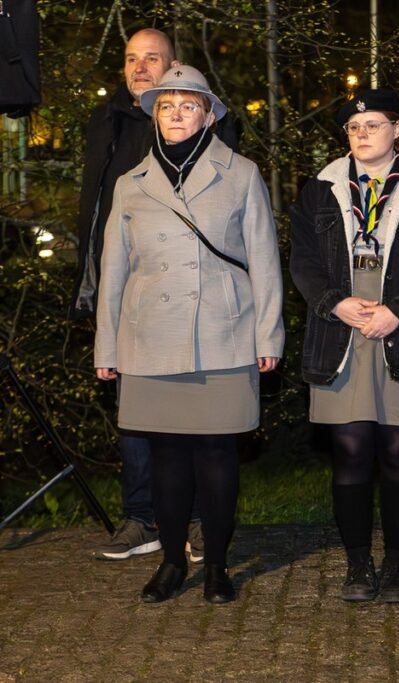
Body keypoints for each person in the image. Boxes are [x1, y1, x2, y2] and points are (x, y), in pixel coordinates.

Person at [94, 65, 284, 604]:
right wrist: (107, 345)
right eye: (166, 106)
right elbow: (113, 270)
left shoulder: (241, 174)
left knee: (218, 455)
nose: (176, 115)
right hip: (149, 339)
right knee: (167, 458)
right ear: (154, 116)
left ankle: (217, 565)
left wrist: (268, 336)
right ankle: (173, 562)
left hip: (224, 333)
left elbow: (265, 261)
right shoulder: (131, 183)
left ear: (208, 115)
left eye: (187, 106)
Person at [289, 89, 399, 604]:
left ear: (397, 129)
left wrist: (398, 311)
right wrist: (333, 303)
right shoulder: (320, 188)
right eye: (354, 128)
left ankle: (397, 566)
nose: (362, 134)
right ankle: (358, 564)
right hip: (342, 332)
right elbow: (302, 259)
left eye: (374, 125)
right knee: (350, 452)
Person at [72, 29, 237, 562]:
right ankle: (142, 517)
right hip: (128, 286)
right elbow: (97, 205)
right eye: (131, 58)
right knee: (137, 416)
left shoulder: (201, 120)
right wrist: (91, 280)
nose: (139, 67)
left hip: (193, 299)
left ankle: (195, 521)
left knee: (194, 417)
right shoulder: (108, 119)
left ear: (174, 65)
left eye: (152, 58)